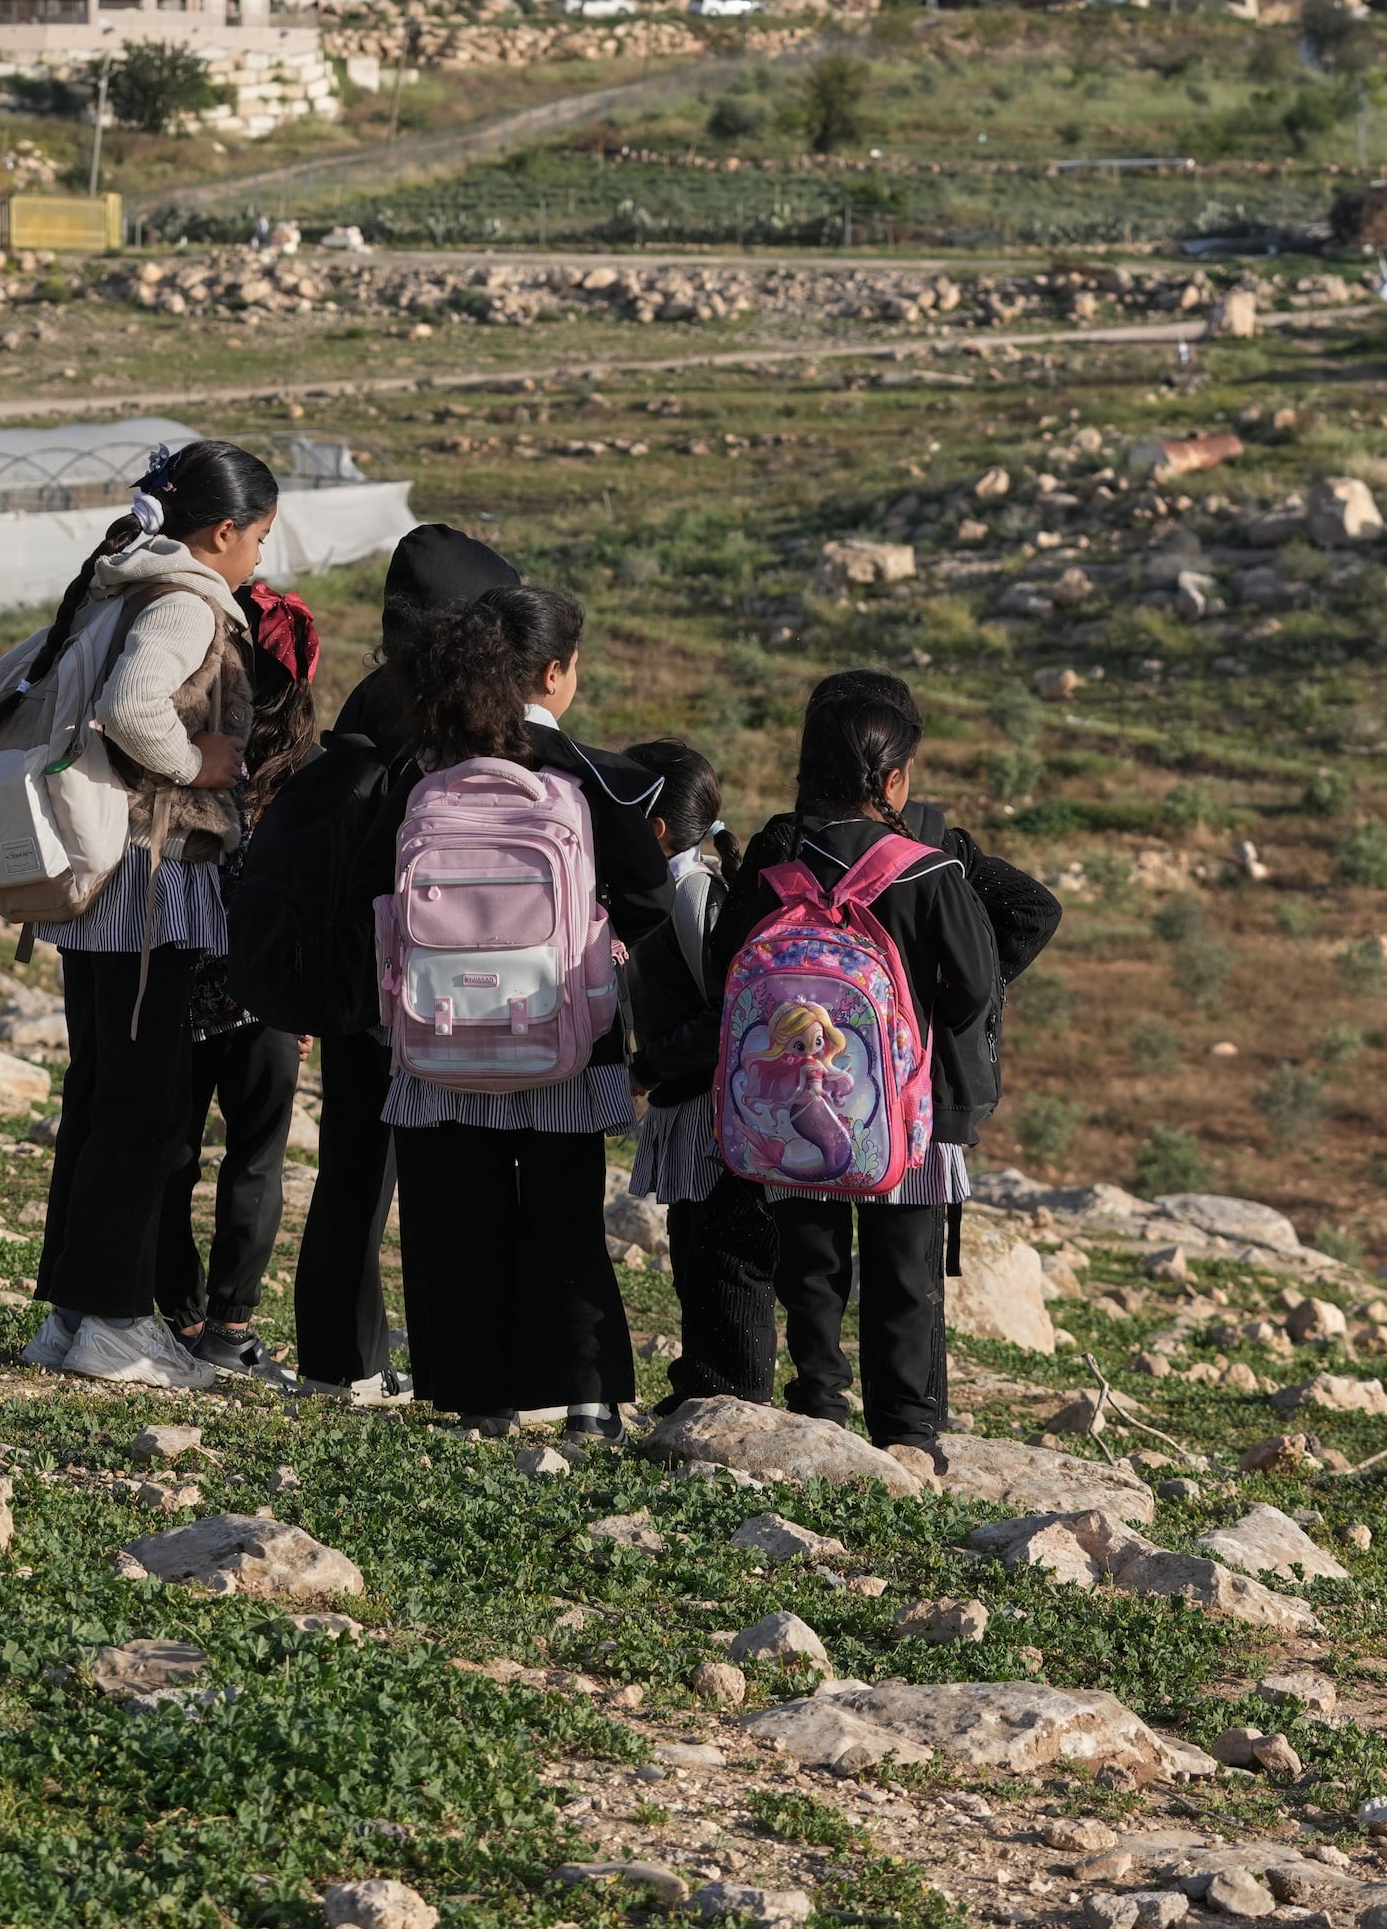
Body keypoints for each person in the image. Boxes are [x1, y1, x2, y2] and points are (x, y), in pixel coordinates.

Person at [0, 440, 278, 1390]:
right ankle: (111, 1323)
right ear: (221, 533)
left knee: (101, 1097)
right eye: (258, 538)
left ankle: (69, 1317)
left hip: (98, 892)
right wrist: (200, 764)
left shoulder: (112, 584)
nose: (260, 559)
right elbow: (135, 710)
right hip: (152, 882)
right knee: (144, 1113)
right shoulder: (185, 601)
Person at [383, 582, 668, 1437]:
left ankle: (479, 1398)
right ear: (553, 671)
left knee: (458, 1216)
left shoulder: (418, 770)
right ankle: (585, 1399)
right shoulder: (605, 781)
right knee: (565, 1217)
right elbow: (650, 896)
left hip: (440, 1036)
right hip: (560, 1036)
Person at [707, 675, 1010, 1455]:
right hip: (901, 1117)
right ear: (896, 780)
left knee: (811, 1263)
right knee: (903, 1271)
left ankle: (819, 1402)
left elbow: (724, 970)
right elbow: (976, 983)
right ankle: (906, 1427)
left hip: (792, 1117)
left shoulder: (779, 860)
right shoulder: (930, 872)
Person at [271, 525, 523, 1398]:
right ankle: (452, 1359)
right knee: (439, 1175)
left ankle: (339, 1359)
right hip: (429, 976)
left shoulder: (370, 698)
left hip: (352, 968)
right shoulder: (452, 713)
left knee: (352, 1165)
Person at [153, 576, 324, 1376]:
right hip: (268, 994)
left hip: (179, 975)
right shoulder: (306, 771)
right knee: (255, 1159)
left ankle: (176, 1317)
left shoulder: (188, 736)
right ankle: (228, 1324)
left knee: (170, 1151)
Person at [618, 737, 778, 1416]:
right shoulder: (669, 888)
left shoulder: (691, 893)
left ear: (654, 827)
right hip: (695, 1107)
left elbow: (726, 1016)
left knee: (722, 1254)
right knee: (693, 1249)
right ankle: (700, 1382)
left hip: (716, 1113)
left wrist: (648, 1067)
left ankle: (733, 1395)